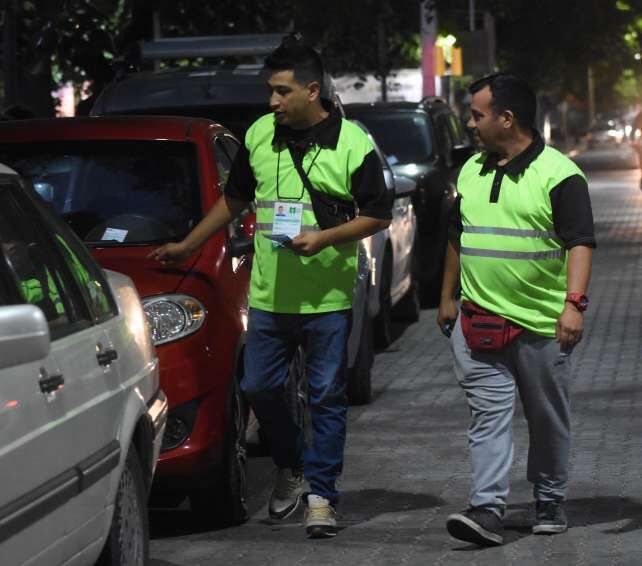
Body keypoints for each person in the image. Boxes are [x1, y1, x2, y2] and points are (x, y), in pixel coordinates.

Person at [148, 35, 391, 538]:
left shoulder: (353, 143)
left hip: (326, 297)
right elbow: (234, 201)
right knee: (258, 386)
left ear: (312, 90)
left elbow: (377, 215)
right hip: (268, 296)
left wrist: (324, 238)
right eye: (271, 92)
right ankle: (293, 465)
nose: (272, 102)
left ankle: (323, 495)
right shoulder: (260, 134)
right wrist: (186, 244)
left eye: (281, 92)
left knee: (325, 395)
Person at [438, 73, 595, 546]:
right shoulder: (470, 169)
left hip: (541, 325)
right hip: (479, 320)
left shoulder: (559, 174)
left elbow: (580, 244)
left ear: (507, 119)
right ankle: (487, 509)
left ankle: (549, 498)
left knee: (547, 416)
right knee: (487, 417)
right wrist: (447, 296)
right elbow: (457, 238)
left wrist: (573, 306)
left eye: (477, 115)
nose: (469, 124)